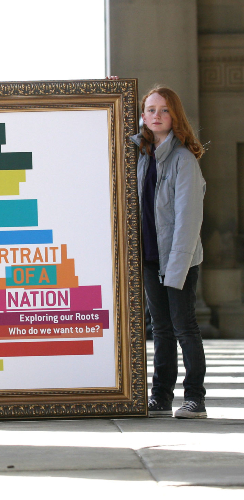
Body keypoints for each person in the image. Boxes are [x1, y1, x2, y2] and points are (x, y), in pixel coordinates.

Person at [132, 86, 207, 418]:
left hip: (180, 258)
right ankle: (160, 396)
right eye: (150, 110)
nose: (156, 115)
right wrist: (111, 89)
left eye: (163, 110)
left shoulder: (183, 160)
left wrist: (174, 269)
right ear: (143, 117)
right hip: (150, 257)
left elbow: (188, 221)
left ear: (174, 115)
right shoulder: (143, 155)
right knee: (160, 329)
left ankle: (195, 398)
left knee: (183, 326)